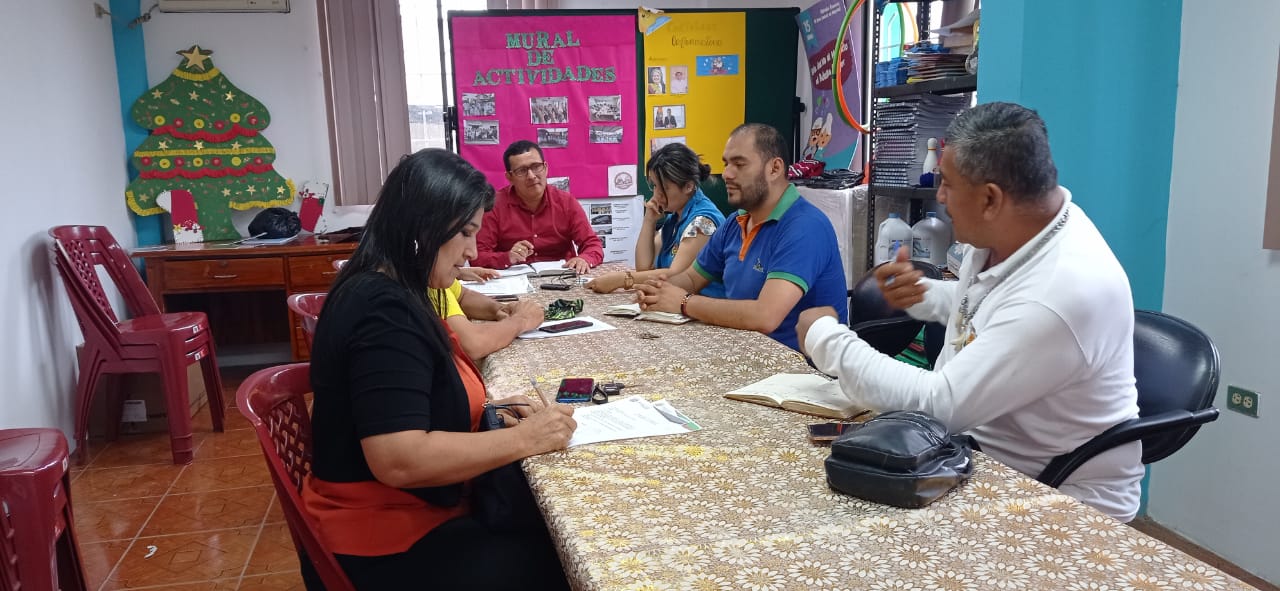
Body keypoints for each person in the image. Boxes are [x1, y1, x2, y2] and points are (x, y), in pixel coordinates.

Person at [795, 102, 1144, 521]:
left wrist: (826, 338)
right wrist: (926, 296)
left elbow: (939, 402)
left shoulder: (1060, 293)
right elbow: (993, 307)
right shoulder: (1024, 227)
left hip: (1060, 502)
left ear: (990, 198)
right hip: (972, 451)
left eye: (946, 183)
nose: (940, 196)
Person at [306, 148, 576, 589]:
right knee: (561, 561)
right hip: (385, 541)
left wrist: (487, 413)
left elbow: (408, 397)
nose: (472, 252)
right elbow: (399, 459)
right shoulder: (383, 310)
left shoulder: (393, 286)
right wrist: (526, 438)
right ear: (423, 226)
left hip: (404, 512)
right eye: (466, 233)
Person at [634, 123, 847, 351]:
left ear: (774, 168)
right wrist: (656, 291)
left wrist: (684, 302)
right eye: (726, 164)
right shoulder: (735, 223)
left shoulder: (805, 227)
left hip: (798, 366)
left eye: (739, 164)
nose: (726, 174)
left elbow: (765, 316)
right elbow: (692, 279)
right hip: (744, 352)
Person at [587, 143, 725, 297]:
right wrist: (649, 220)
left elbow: (676, 275)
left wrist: (622, 280)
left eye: (664, 187)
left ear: (688, 186)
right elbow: (643, 266)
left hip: (705, 304)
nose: (656, 194)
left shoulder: (702, 223)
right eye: (654, 185)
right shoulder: (675, 216)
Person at [473, 140, 604, 274]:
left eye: (536, 167)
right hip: (513, 280)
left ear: (545, 168)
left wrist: (584, 259)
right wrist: (507, 257)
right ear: (509, 177)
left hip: (562, 277)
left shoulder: (566, 202)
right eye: (522, 171)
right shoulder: (494, 205)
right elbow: (477, 257)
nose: (531, 176)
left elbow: (593, 245)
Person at [428, 278, 544, 361]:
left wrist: (499, 309)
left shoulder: (437, 272)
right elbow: (473, 343)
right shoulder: (431, 283)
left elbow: (463, 296)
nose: (473, 254)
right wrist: (521, 320)